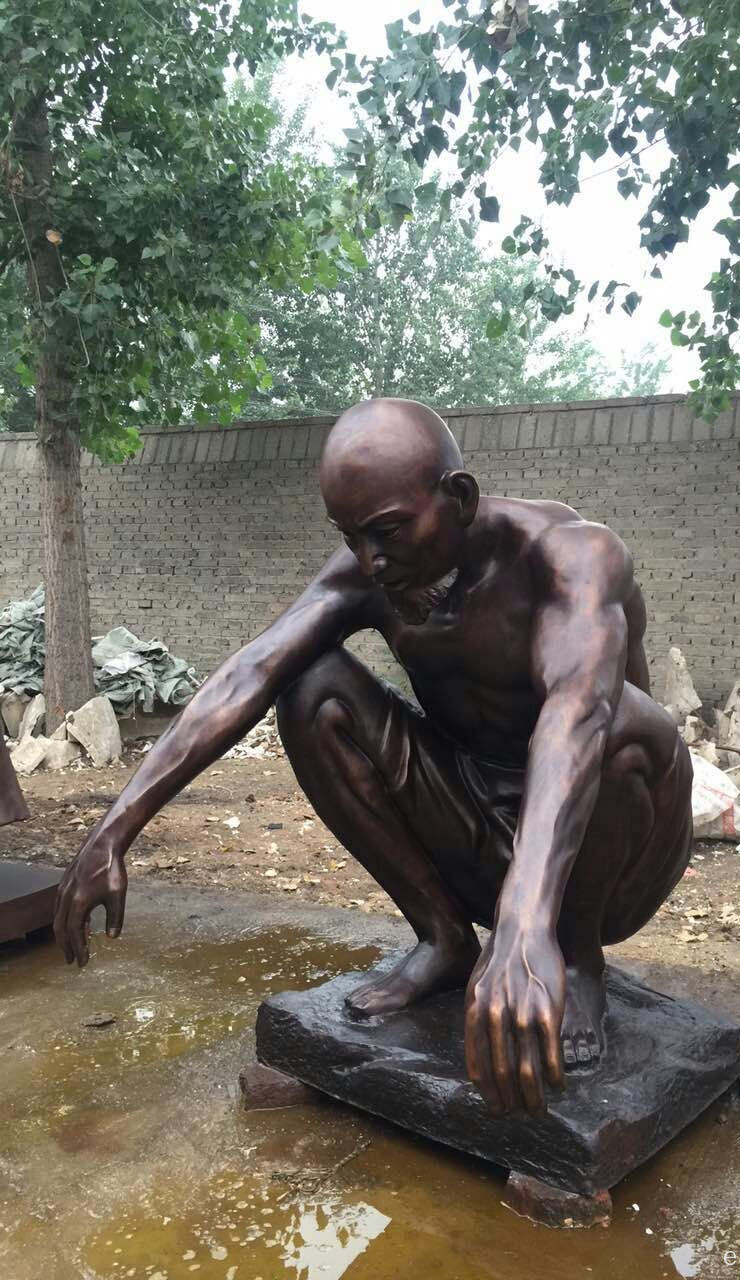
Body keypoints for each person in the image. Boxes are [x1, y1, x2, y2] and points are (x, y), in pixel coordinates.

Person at [54, 398, 692, 1114]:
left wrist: (523, 926)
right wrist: (115, 830)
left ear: (459, 497)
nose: (370, 559)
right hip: (477, 823)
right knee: (312, 689)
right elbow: (251, 670)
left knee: (627, 724)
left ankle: (576, 965)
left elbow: (577, 717)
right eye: (352, 537)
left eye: (386, 532)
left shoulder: (571, 558)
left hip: (607, 858)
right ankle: (446, 939)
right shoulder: (377, 571)